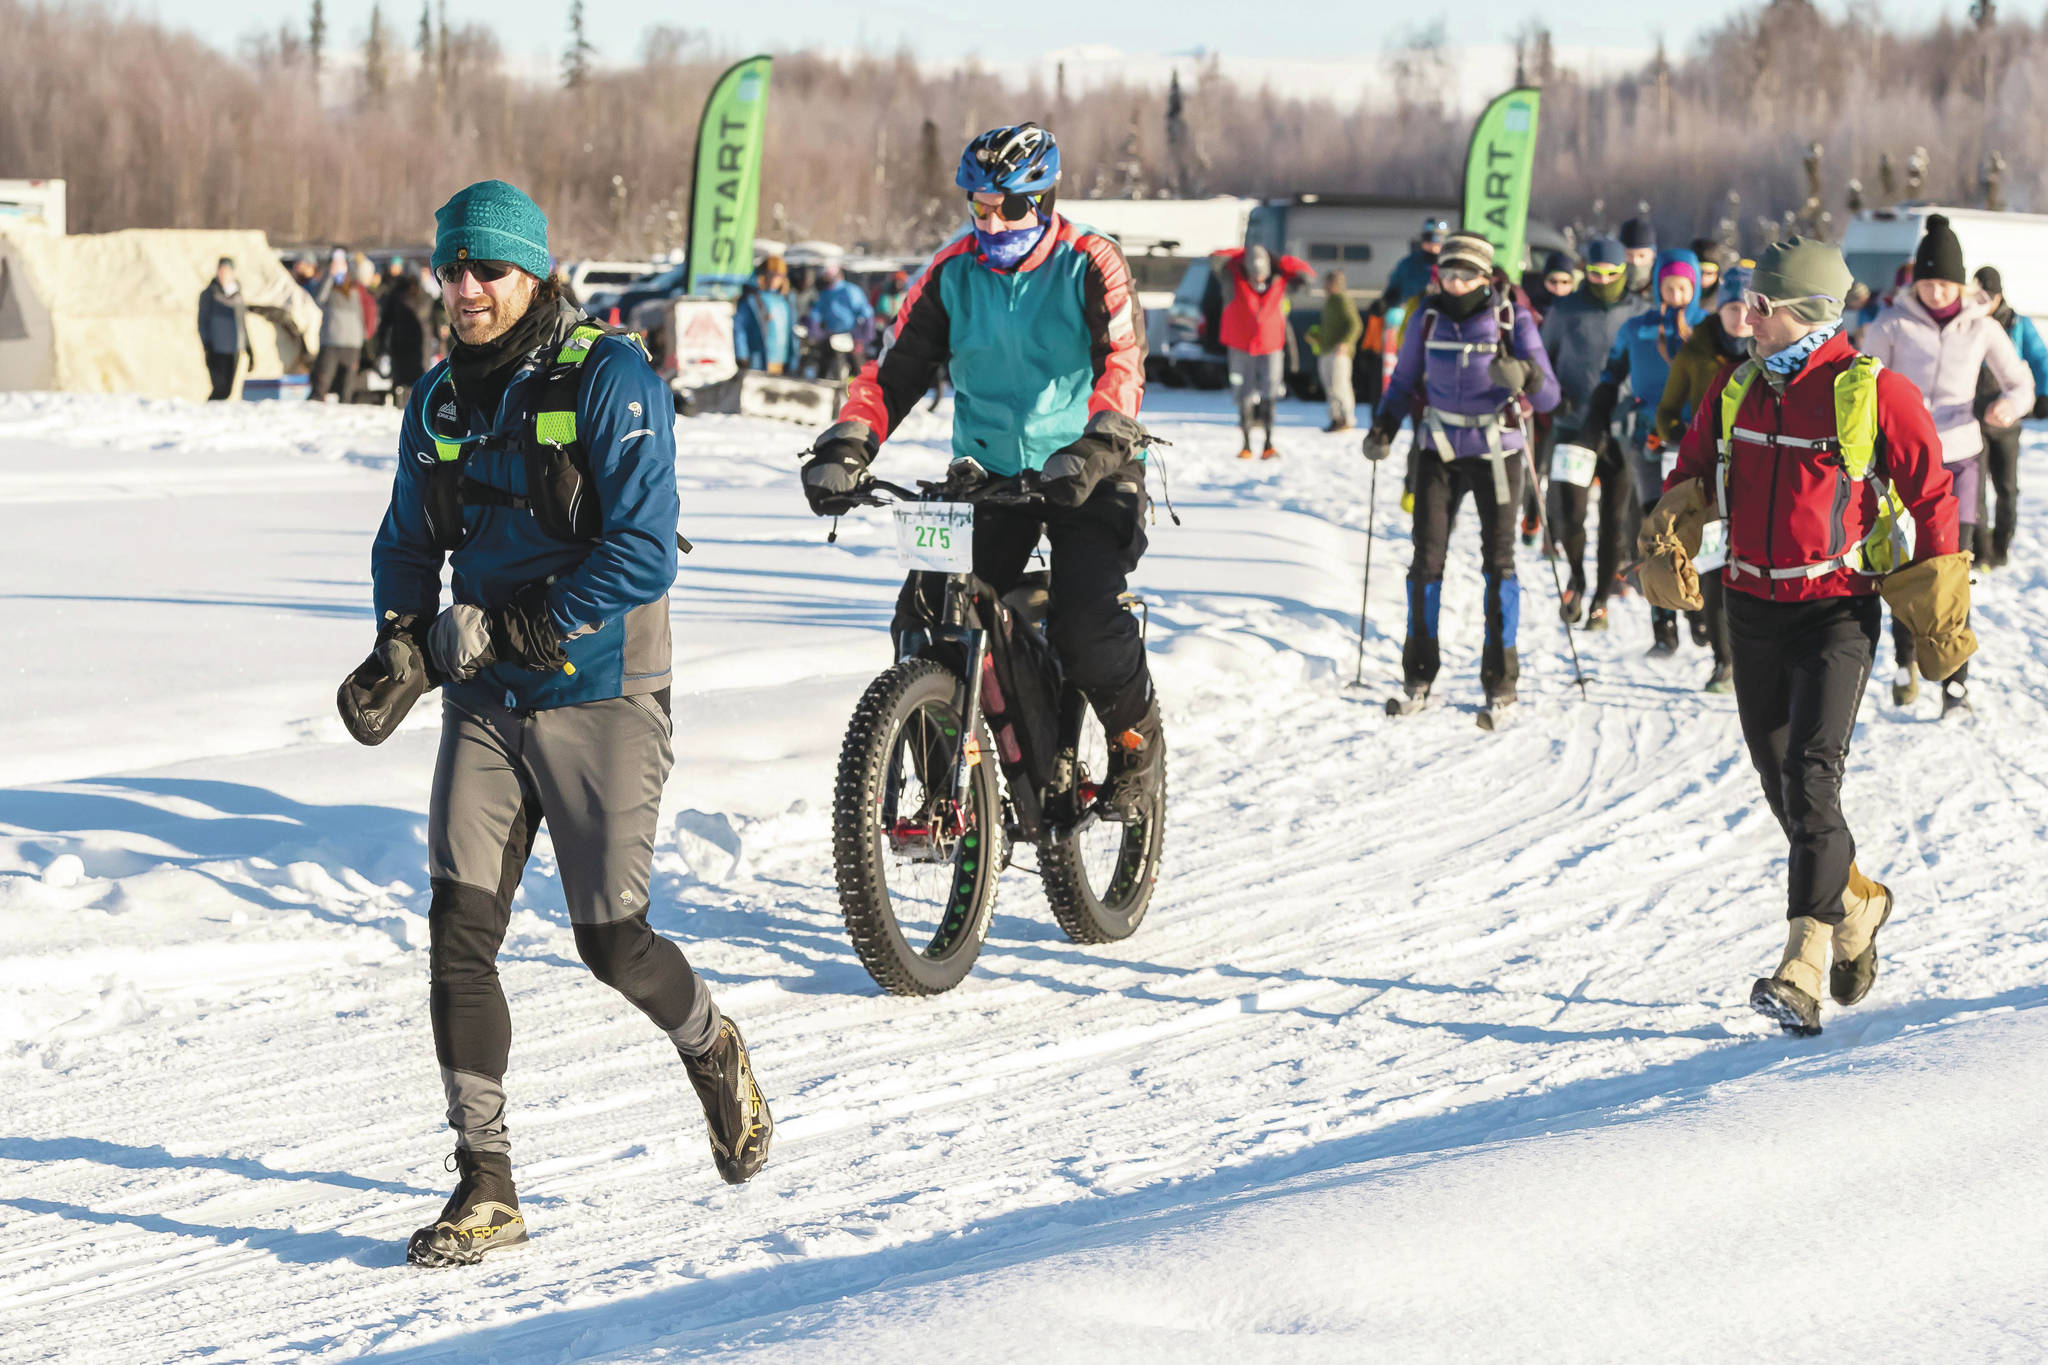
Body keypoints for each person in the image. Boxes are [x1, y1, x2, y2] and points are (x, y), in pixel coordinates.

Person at [361, 179, 772, 1268]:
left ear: (533, 272)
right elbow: (406, 539)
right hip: (487, 705)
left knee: (610, 942)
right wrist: (398, 642)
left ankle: (710, 1044)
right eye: (450, 270)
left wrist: (524, 623)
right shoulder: (441, 400)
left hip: (602, 689)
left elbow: (643, 544)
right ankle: (485, 1182)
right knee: (458, 932)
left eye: (484, 270)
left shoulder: (609, 375)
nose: (461, 290)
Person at [1644, 237, 1969, 1036]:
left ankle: (1802, 964)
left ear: (1814, 315)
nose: (1747, 316)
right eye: (1749, 301)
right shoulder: (1733, 387)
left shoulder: (1876, 395)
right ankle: (1859, 903)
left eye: (1764, 305)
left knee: (1812, 777)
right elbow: (1688, 478)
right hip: (1749, 611)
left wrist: (1941, 614)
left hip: (1836, 611)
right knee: (1785, 789)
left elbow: (1932, 495)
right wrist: (1665, 536)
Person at [799, 122, 1161, 814]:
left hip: (1093, 465)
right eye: (979, 207)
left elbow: (1123, 364)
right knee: (924, 615)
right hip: (991, 472)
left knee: (1086, 626)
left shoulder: (1092, 261)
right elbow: (892, 371)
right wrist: (847, 444)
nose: (992, 222)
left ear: (1045, 200)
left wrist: (1096, 445)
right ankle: (947, 797)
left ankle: (1133, 743)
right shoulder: (951, 272)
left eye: (1010, 207)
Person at [1363, 231, 1560, 727]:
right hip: (1438, 451)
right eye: (1447, 273)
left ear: (1486, 276)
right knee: (1425, 564)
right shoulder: (1426, 319)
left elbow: (1552, 394)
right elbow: (1403, 381)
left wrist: (1524, 376)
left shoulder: (1509, 317)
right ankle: (1418, 676)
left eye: (1464, 274)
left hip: (1498, 452)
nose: (1453, 283)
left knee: (1499, 563)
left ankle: (1501, 683)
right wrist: (1383, 427)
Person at [1861, 215, 2032, 716]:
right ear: (1917, 280)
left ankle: (1955, 682)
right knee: (1904, 562)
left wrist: (2007, 408)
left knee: (1950, 570)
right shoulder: (1891, 322)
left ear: (1961, 284)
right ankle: (1904, 661)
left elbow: (2020, 382)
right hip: (1901, 460)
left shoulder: (1981, 327)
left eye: (1946, 284)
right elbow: (1861, 382)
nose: (1937, 294)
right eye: (1929, 283)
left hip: (1959, 459)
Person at [1584, 247, 1705, 646]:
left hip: (1695, 439)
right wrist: (1598, 414)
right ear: (1657, 287)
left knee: (1695, 525)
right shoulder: (1636, 328)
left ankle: (1701, 614)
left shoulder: (1708, 328)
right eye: (1668, 287)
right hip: (1646, 438)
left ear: (1695, 288)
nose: (1675, 294)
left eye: (1683, 287)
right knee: (1655, 529)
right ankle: (1662, 620)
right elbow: (1611, 372)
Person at [1654, 261, 1755, 692]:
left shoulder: (1771, 353)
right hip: (1711, 480)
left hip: (1757, 477)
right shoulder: (1696, 350)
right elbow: (1666, 412)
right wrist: (1685, 439)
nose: (1740, 317)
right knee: (1713, 568)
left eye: (1748, 307)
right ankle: (1724, 662)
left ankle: (1758, 656)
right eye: (1732, 307)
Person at [1538, 236, 1648, 626]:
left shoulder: (1640, 311)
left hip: (1621, 429)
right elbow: (1542, 361)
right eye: (1595, 273)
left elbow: (1653, 366)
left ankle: (1601, 598)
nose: (1602, 281)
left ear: (1624, 273)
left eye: (1611, 274)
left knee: (1614, 519)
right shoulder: (1565, 310)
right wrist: (1554, 398)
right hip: (1574, 427)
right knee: (1570, 513)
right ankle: (1578, 579)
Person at [1969, 265, 2048, 568]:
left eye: (1985, 296)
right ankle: (1981, 549)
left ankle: (2001, 546)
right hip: (1973, 418)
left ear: (1998, 296)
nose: (1980, 301)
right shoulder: (1970, 323)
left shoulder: (2018, 324)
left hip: (2007, 419)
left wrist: (2043, 395)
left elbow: (2040, 358)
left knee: (2006, 488)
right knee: (1975, 489)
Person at [1212, 243, 1315, 459]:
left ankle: (1269, 443)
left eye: (1262, 275)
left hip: (1271, 346)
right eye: (1254, 275)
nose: (1258, 280)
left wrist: (1279, 259)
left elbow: (1308, 275)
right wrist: (1244, 254)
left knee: (1271, 393)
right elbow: (1216, 258)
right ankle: (1246, 445)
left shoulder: (1282, 283)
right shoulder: (1232, 279)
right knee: (1243, 395)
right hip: (1240, 346)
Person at [1307, 269, 1363, 432]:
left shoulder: (1342, 300)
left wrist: (1346, 343)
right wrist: (1316, 336)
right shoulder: (1329, 301)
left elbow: (1355, 324)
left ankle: (1347, 418)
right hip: (1326, 350)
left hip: (1339, 352)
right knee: (1330, 387)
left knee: (1340, 386)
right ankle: (1335, 418)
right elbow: (1330, 327)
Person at [313, 247, 368, 402]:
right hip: (331, 341)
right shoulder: (327, 285)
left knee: (347, 388)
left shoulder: (354, 289)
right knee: (321, 383)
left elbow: (360, 314)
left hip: (352, 344)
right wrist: (329, 275)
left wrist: (362, 339)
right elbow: (319, 299)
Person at [196, 256, 255, 401]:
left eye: (226, 271)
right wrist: (206, 343)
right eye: (220, 270)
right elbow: (202, 321)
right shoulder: (209, 294)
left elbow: (242, 323)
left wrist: (248, 348)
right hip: (216, 347)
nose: (223, 274)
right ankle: (207, 414)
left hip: (234, 347)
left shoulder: (237, 295)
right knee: (220, 387)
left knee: (228, 388)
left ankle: (215, 416)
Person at [372, 266, 432, 407]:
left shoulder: (395, 295)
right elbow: (432, 324)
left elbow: (385, 323)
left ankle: (400, 406)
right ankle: (417, 410)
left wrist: (381, 346)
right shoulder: (426, 296)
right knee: (418, 381)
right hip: (421, 345)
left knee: (400, 381)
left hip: (400, 344)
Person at [803, 263, 875, 380]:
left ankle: (858, 393)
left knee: (858, 371)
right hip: (831, 337)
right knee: (824, 367)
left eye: (830, 276)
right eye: (825, 276)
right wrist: (813, 331)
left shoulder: (850, 291)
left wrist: (862, 338)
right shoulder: (824, 294)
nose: (827, 279)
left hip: (852, 337)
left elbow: (866, 313)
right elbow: (815, 314)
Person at [1379, 216, 1449, 315]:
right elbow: (1394, 287)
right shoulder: (1409, 263)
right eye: (1429, 240)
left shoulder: (1451, 265)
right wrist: (1384, 303)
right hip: (1411, 314)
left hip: (1442, 316)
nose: (1433, 246)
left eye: (1438, 242)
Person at [1618, 216, 1658, 299]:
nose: (1635, 261)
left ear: (1653, 255)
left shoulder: (1664, 292)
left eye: (1641, 256)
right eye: (1629, 255)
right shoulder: (1610, 289)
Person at [1534, 251, 1577, 321]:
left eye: (1564, 282)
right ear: (1544, 280)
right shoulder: (1532, 306)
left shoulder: (1578, 308)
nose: (1558, 286)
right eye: (1553, 281)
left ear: (1572, 283)